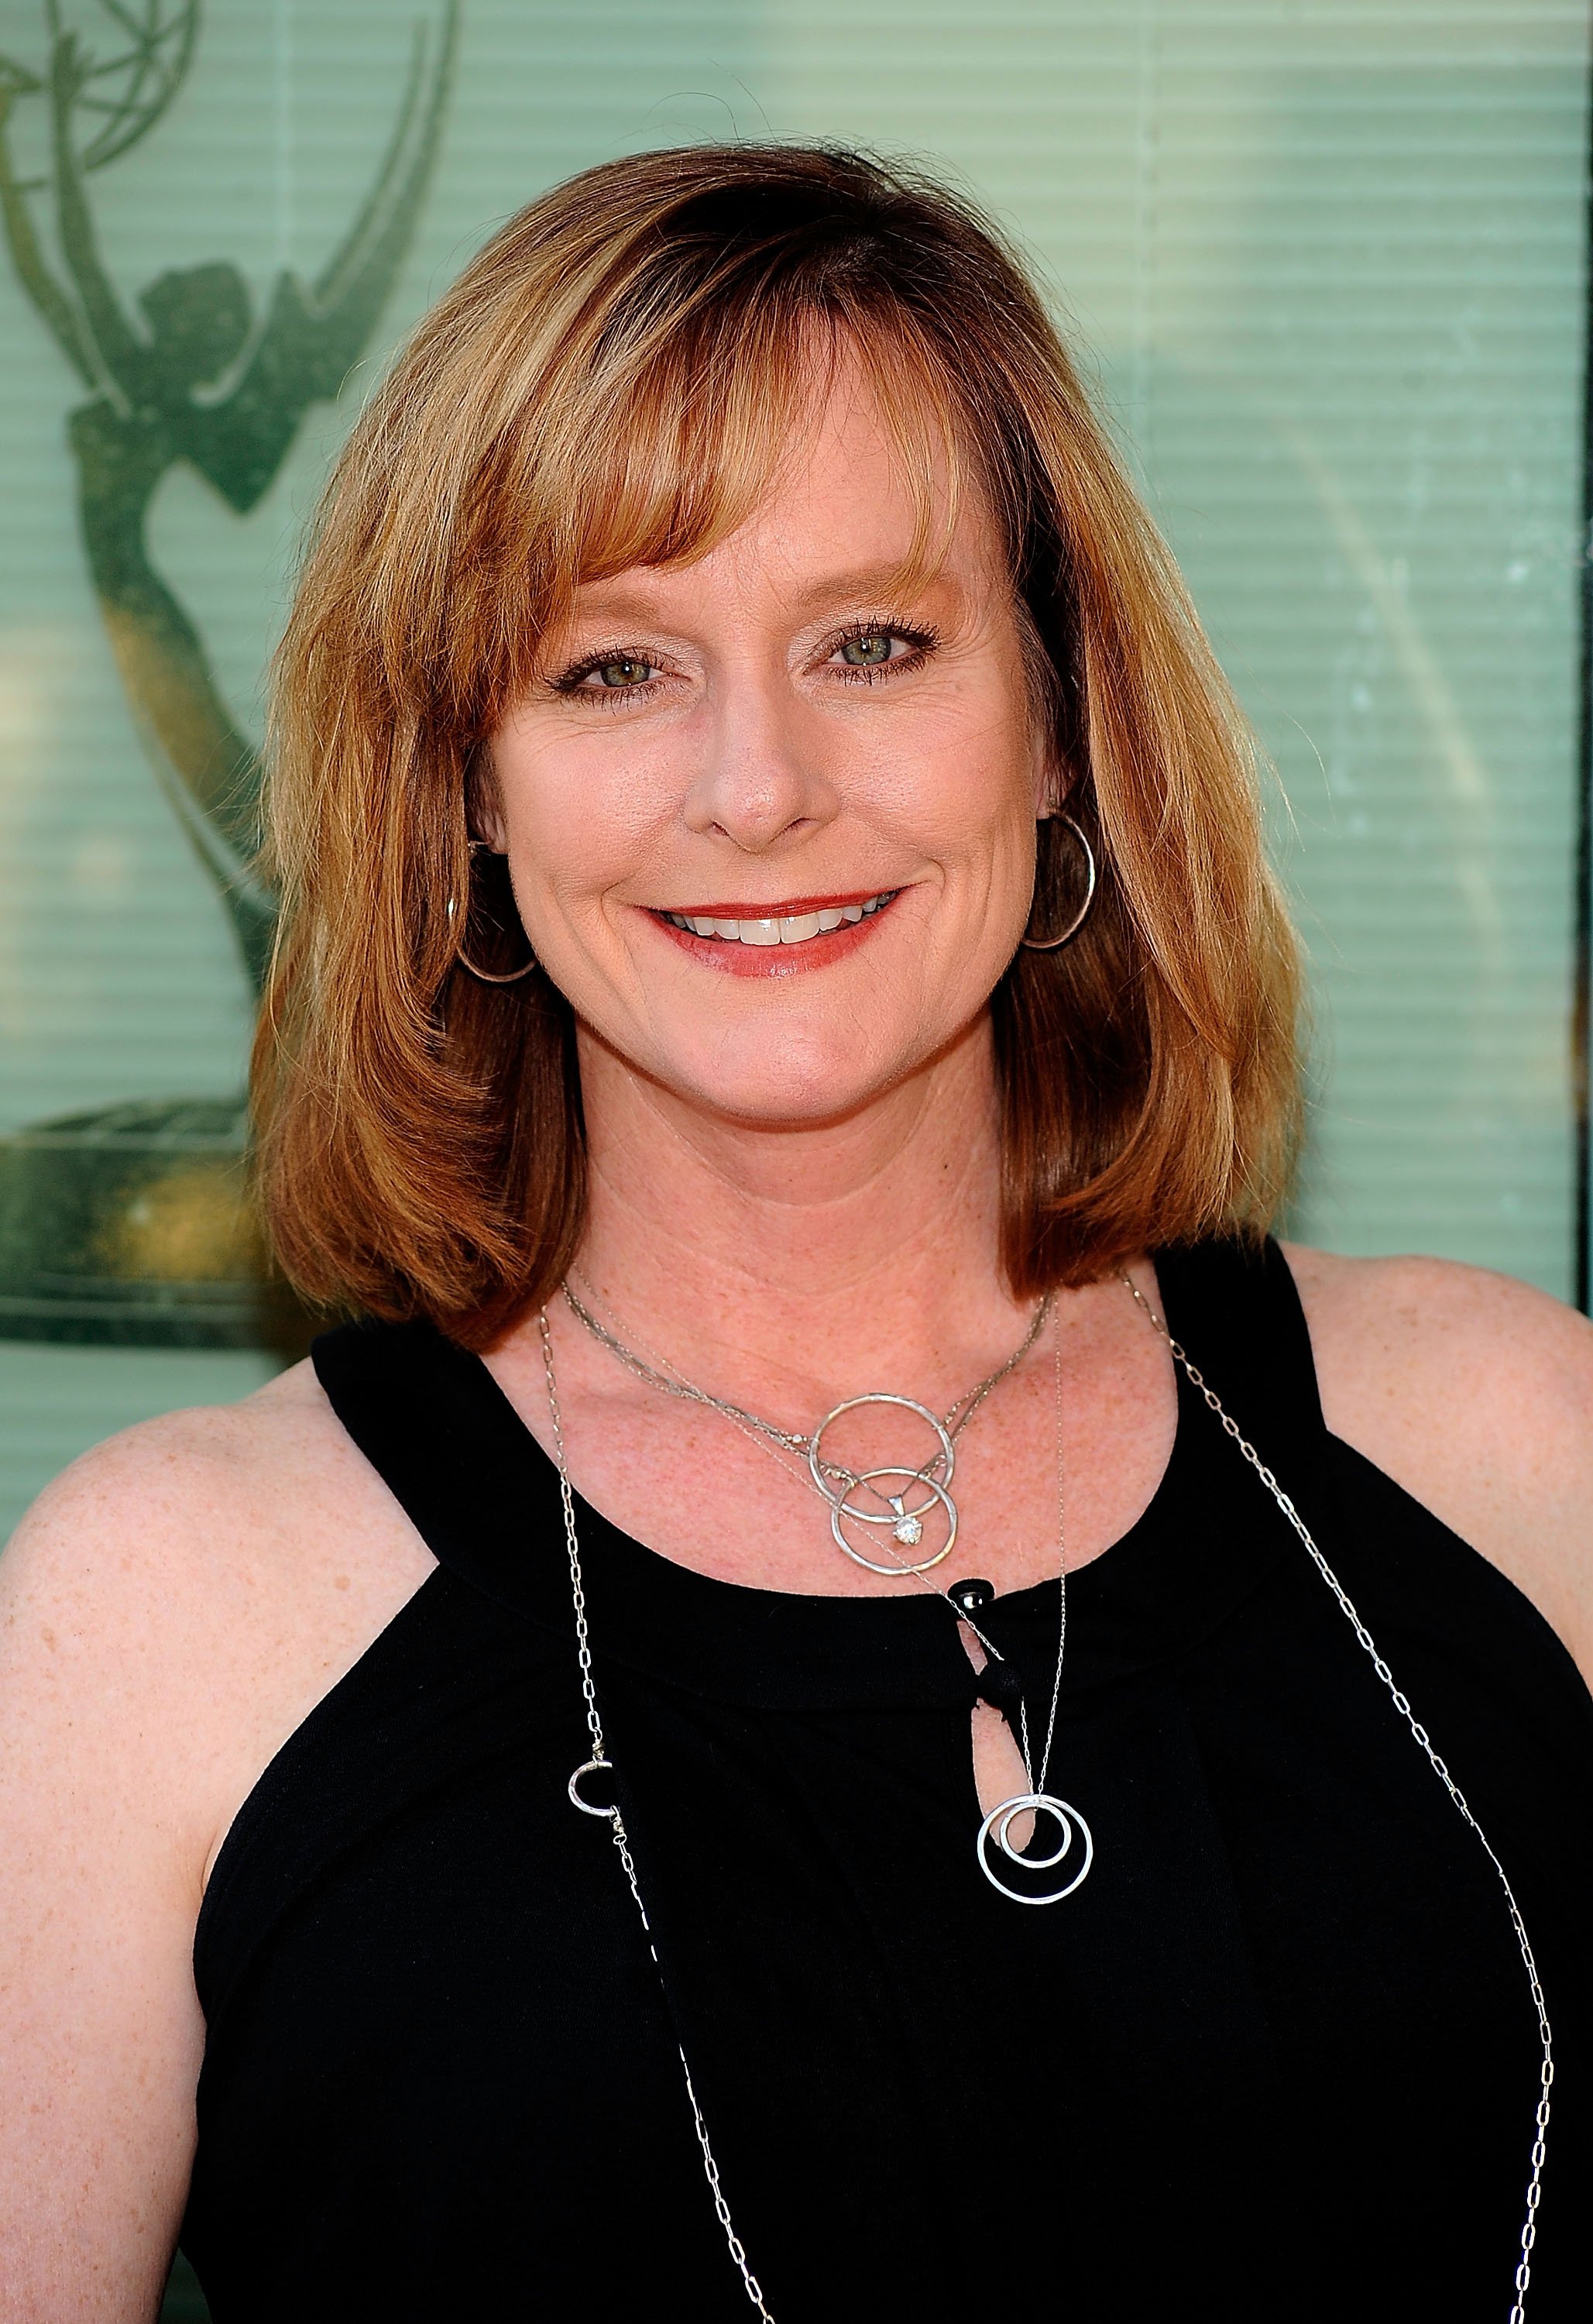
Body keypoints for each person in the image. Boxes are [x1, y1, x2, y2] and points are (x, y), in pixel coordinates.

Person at [1, 143, 1588, 2324]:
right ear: (463, 784)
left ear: (1055, 725)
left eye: (874, 641)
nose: (755, 788)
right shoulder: (165, 1612)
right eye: (609, 673)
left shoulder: (1513, 1447)